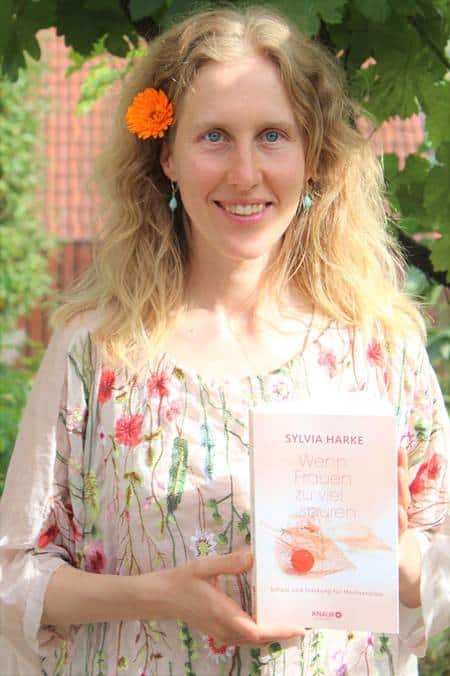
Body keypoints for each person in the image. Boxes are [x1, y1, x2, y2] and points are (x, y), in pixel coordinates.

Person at [0, 6, 449, 675]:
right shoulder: (96, 350)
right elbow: (14, 577)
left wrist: (397, 554)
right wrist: (156, 597)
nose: (244, 173)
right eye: (214, 136)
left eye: (273, 135)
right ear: (167, 156)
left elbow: (437, 567)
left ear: (314, 158)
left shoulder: (379, 346)